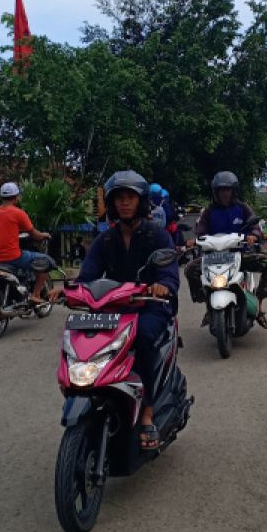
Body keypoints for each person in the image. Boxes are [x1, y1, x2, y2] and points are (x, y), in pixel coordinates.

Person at [76, 170, 178, 450]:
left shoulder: (157, 235)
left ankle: (147, 412)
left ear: (141, 201)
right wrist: (69, 290)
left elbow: (169, 272)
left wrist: (162, 286)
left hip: (151, 307)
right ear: (111, 204)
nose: (124, 203)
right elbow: (87, 276)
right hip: (116, 308)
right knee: (86, 334)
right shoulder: (105, 240)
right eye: (119, 198)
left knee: (142, 336)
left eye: (130, 197)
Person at [184, 171, 267, 328]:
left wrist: (253, 235)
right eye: (221, 190)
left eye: (228, 190)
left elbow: (255, 226)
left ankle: (259, 307)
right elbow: (200, 231)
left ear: (234, 191)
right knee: (189, 269)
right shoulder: (208, 212)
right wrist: (194, 241)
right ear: (216, 192)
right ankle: (208, 305)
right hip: (214, 257)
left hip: (241, 255)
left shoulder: (243, 208)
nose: (225, 193)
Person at [0, 182, 51, 304]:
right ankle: (35, 295)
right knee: (45, 262)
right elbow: (35, 235)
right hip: (13, 258)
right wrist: (45, 235)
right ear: (16, 197)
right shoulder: (18, 213)